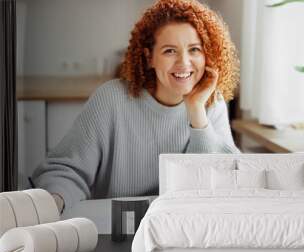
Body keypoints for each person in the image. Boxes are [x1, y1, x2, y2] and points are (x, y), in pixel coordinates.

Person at [31, 0, 240, 213]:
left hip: (183, 232)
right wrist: (54, 202)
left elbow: (218, 185)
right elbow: (66, 170)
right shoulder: (112, 99)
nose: (184, 62)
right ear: (150, 58)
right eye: (169, 51)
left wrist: (197, 113)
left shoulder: (212, 103)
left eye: (194, 49)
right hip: (119, 232)